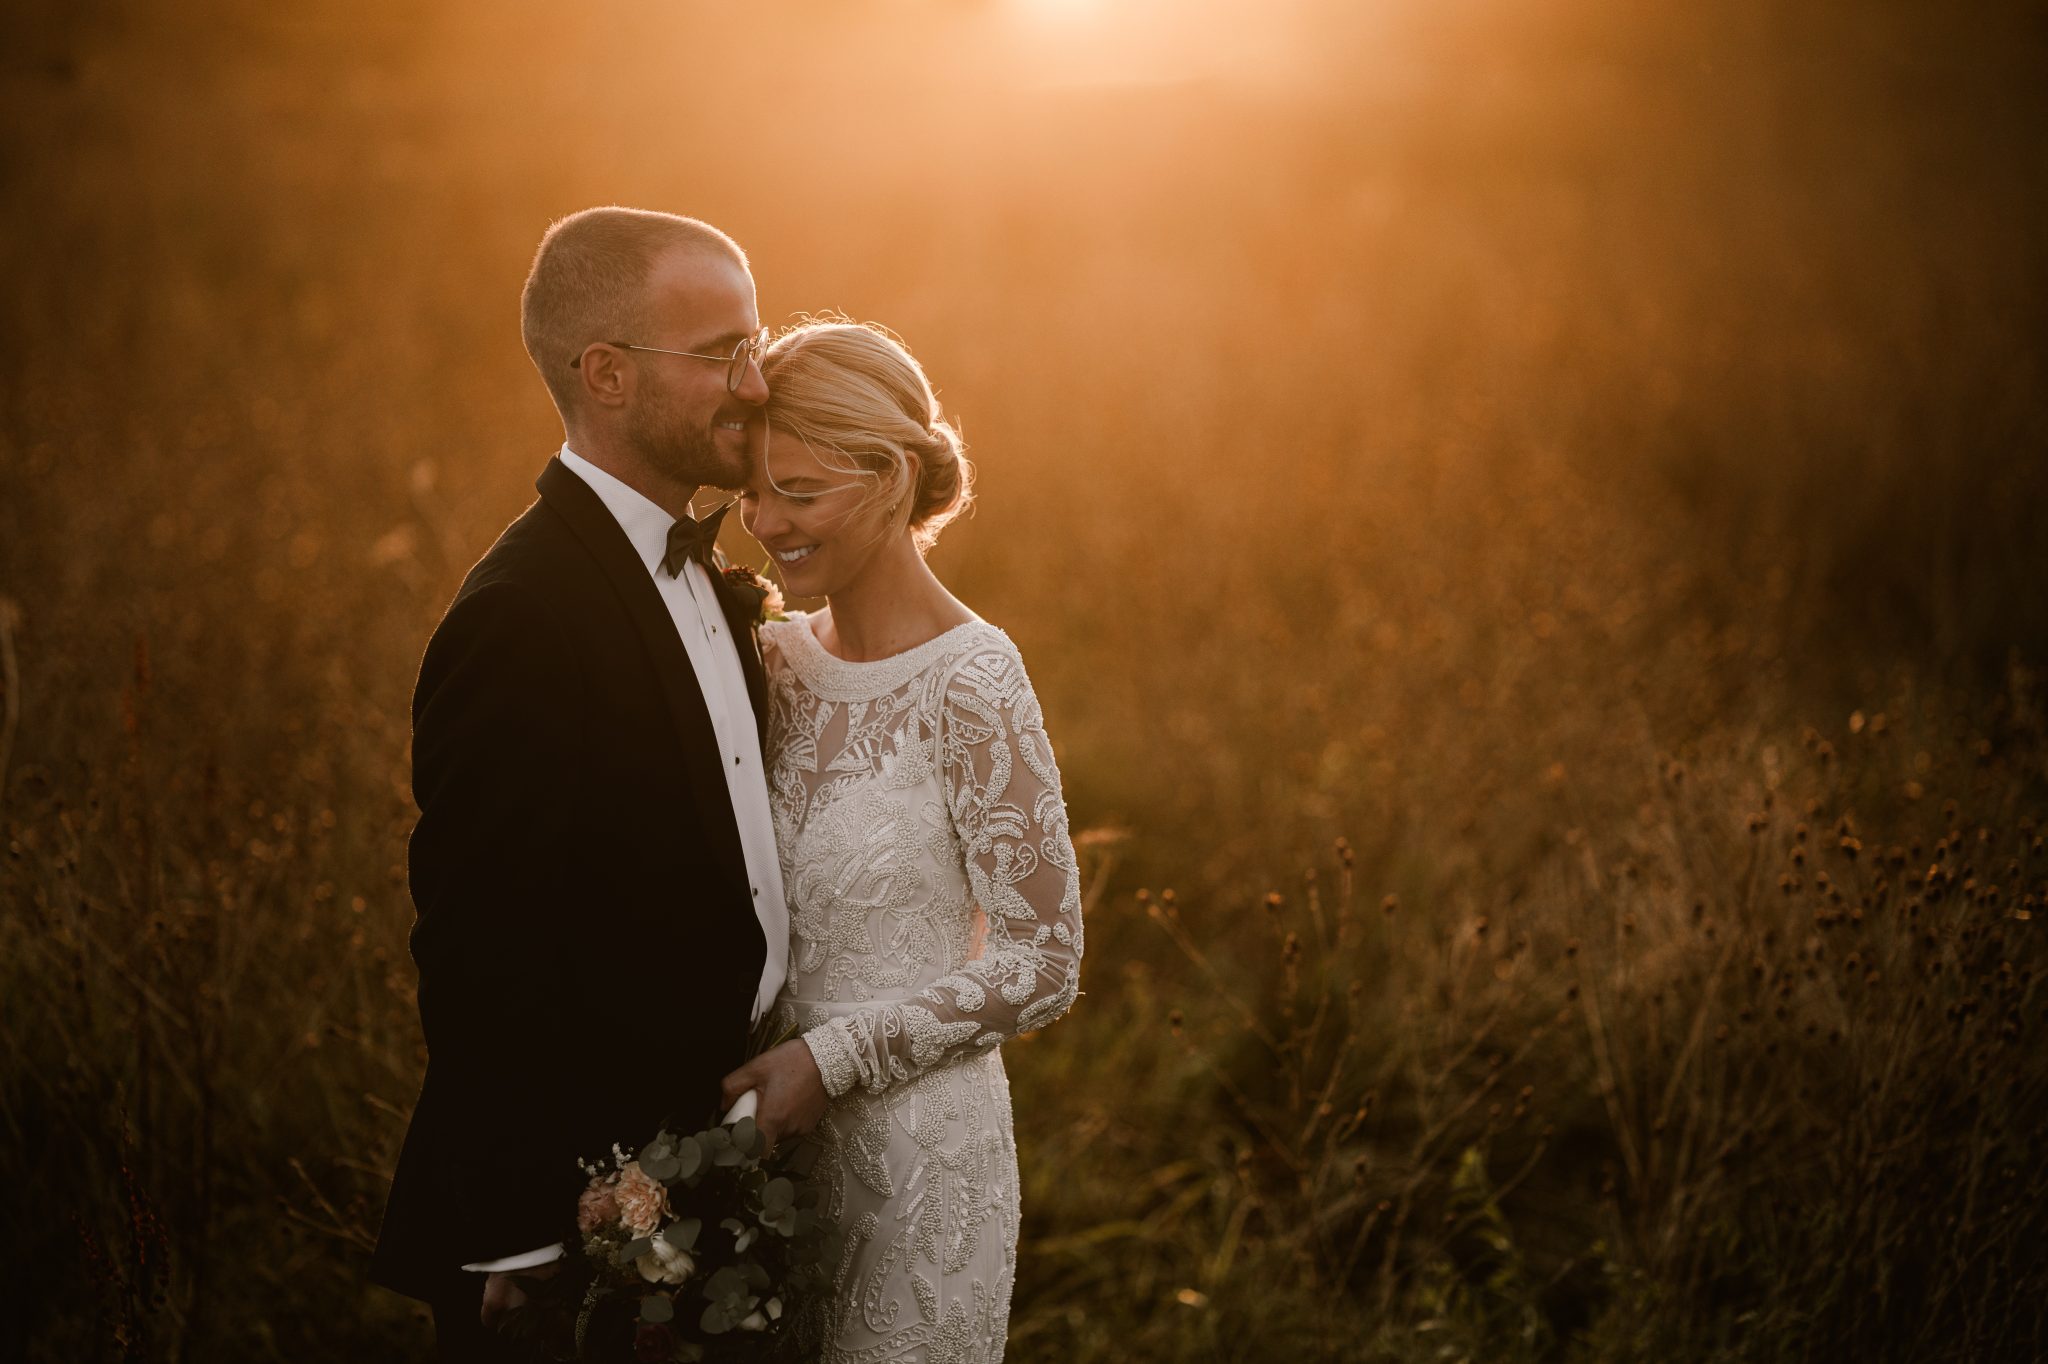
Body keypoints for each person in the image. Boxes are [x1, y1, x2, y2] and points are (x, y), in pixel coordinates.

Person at [366, 207, 799, 1362]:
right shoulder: (522, 615)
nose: (756, 384)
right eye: (721, 353)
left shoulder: (711, 577)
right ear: (606, 374)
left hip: (699, 1165)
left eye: (756, 345)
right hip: (565, 1213)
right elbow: (479, 946)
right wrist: (522, 1230)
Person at [719, 320, 1086, 1361]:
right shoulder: (767, 661)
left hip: (919, 1166)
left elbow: (1043, 959)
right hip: (757, 1152)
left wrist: (831, 1061)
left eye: (798, 491)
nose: (764, 523)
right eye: (751, 492)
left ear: (888, 478)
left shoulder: (974, 680)